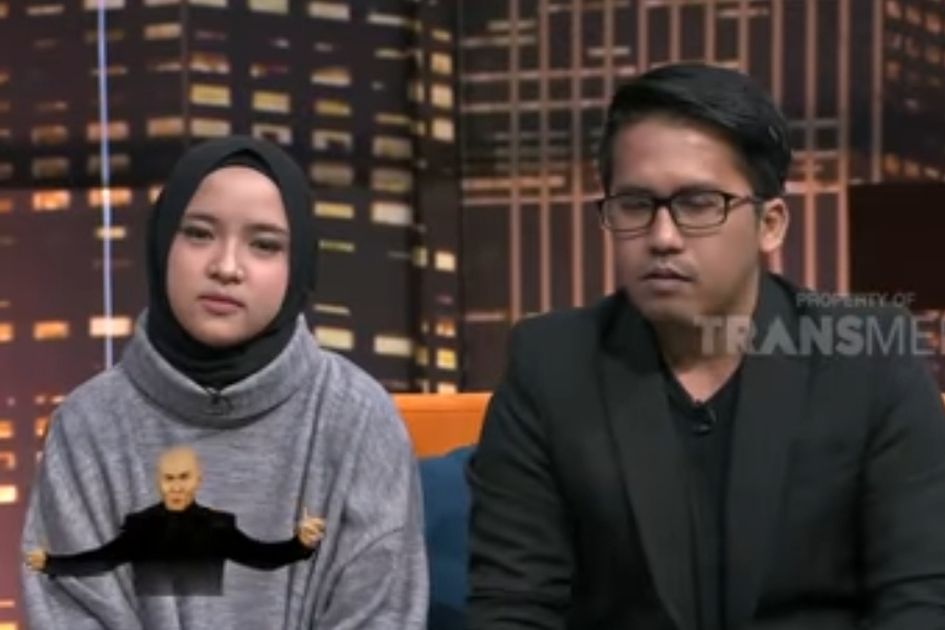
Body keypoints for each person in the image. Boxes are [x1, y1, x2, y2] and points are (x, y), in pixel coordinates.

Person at [466, 62, 945, 629]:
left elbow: (919, 600)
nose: (662, 237)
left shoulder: (868, 358)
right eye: (635, 204)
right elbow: (513, 606)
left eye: (698, 204)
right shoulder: (550, 364)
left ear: (770, 223)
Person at [20, 136, 428, 628]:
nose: (226, 267)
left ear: (299, 265)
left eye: (264, 245)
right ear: (161, 243)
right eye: (199, 234)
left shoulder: (359, 419)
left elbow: (378, 615)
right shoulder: (86, 426)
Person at [24, 446, 326, 596]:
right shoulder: (140, 525)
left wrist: (300, 544)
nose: (177, 487)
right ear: (158, 482)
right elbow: (102, 559)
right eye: (169, 479)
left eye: (183, 478)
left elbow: (262, 557)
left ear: (198, 480)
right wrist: (51, 563)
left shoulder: (218, 526)